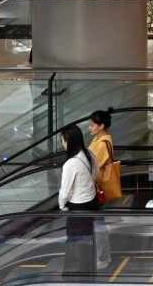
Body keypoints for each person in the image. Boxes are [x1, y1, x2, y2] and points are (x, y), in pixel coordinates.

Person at [59, 123, 99, 273]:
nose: (62, 144)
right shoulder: (89, 153)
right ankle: (88, 269)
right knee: (88, 238)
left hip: (77, 207)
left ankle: (74, 271)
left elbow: (65, 191)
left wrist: (62, 206)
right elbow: (96, 173)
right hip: (91, 203)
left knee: (74, 240)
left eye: (63, 141)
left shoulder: (71, 163)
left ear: (68, 141)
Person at [88, 110, 114, 270]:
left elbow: (91, 164)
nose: (89, 128)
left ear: (101, 126)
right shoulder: (98, 139)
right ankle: (104, 255)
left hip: (97, 189)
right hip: (95, 188)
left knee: (98, 225)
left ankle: (102, 257)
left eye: (92, 125)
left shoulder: (103, 143)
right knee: (98, 223)